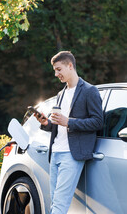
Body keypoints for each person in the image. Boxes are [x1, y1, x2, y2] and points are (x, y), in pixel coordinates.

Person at [34, 51, 103, 214]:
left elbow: (98, 121)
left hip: (72, 155)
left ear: (70, 66)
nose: (56, 74)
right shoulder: (61, 94)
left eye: (59, 69)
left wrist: (69, 122)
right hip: (55, 153)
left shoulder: (89, 91)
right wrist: (47, 123)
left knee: (59, 204)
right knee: (55, 203)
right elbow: (59, 126)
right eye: (55, 71)